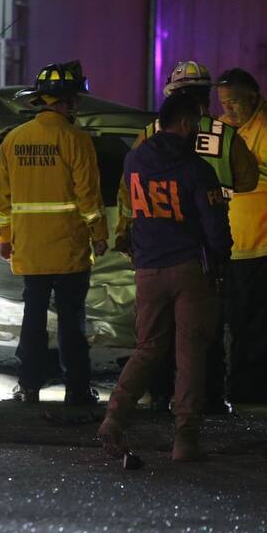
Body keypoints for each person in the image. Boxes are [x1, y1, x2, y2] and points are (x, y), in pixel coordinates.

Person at [111, 60, 258, 413]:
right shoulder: (225, 134)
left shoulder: (149, 135)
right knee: (202, 333)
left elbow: (127, 193)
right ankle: (205, 401)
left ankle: (157, 395)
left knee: (156, 336)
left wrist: (125, 233)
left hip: (154, 248)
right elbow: (249, 180)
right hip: (203, 249)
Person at [98, 91, 232, 462]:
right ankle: (185, 441)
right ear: (187, 123)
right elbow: (215, 229)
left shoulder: (135, 160)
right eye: (197, 123)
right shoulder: (196, 170)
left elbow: (130, 207)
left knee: (147, 349)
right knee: (190, 355)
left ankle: (113, 420)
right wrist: (222, 262)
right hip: (189, 270)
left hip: (148, 270)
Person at [0, 60, 108, 406]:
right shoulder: (76, 139)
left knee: (33, 319)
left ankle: (28, 387)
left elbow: (0, 200)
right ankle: (77, 389)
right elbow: (89, 196)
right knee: (72, 323)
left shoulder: (14, 139)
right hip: (68, 248)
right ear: (67, 101)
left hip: (29, 247)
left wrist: (4, 237)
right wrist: (99, 233)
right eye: (76, 100)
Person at [214, 67, 267, 405]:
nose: (228, 109)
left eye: (234, 102)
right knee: (239, 320)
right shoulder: (230, 127)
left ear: (253, 97)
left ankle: (257, 390)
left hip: (266, 243)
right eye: (223, 102)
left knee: (258, 322)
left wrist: (232, 178)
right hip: (240, 244)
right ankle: (242, 385)